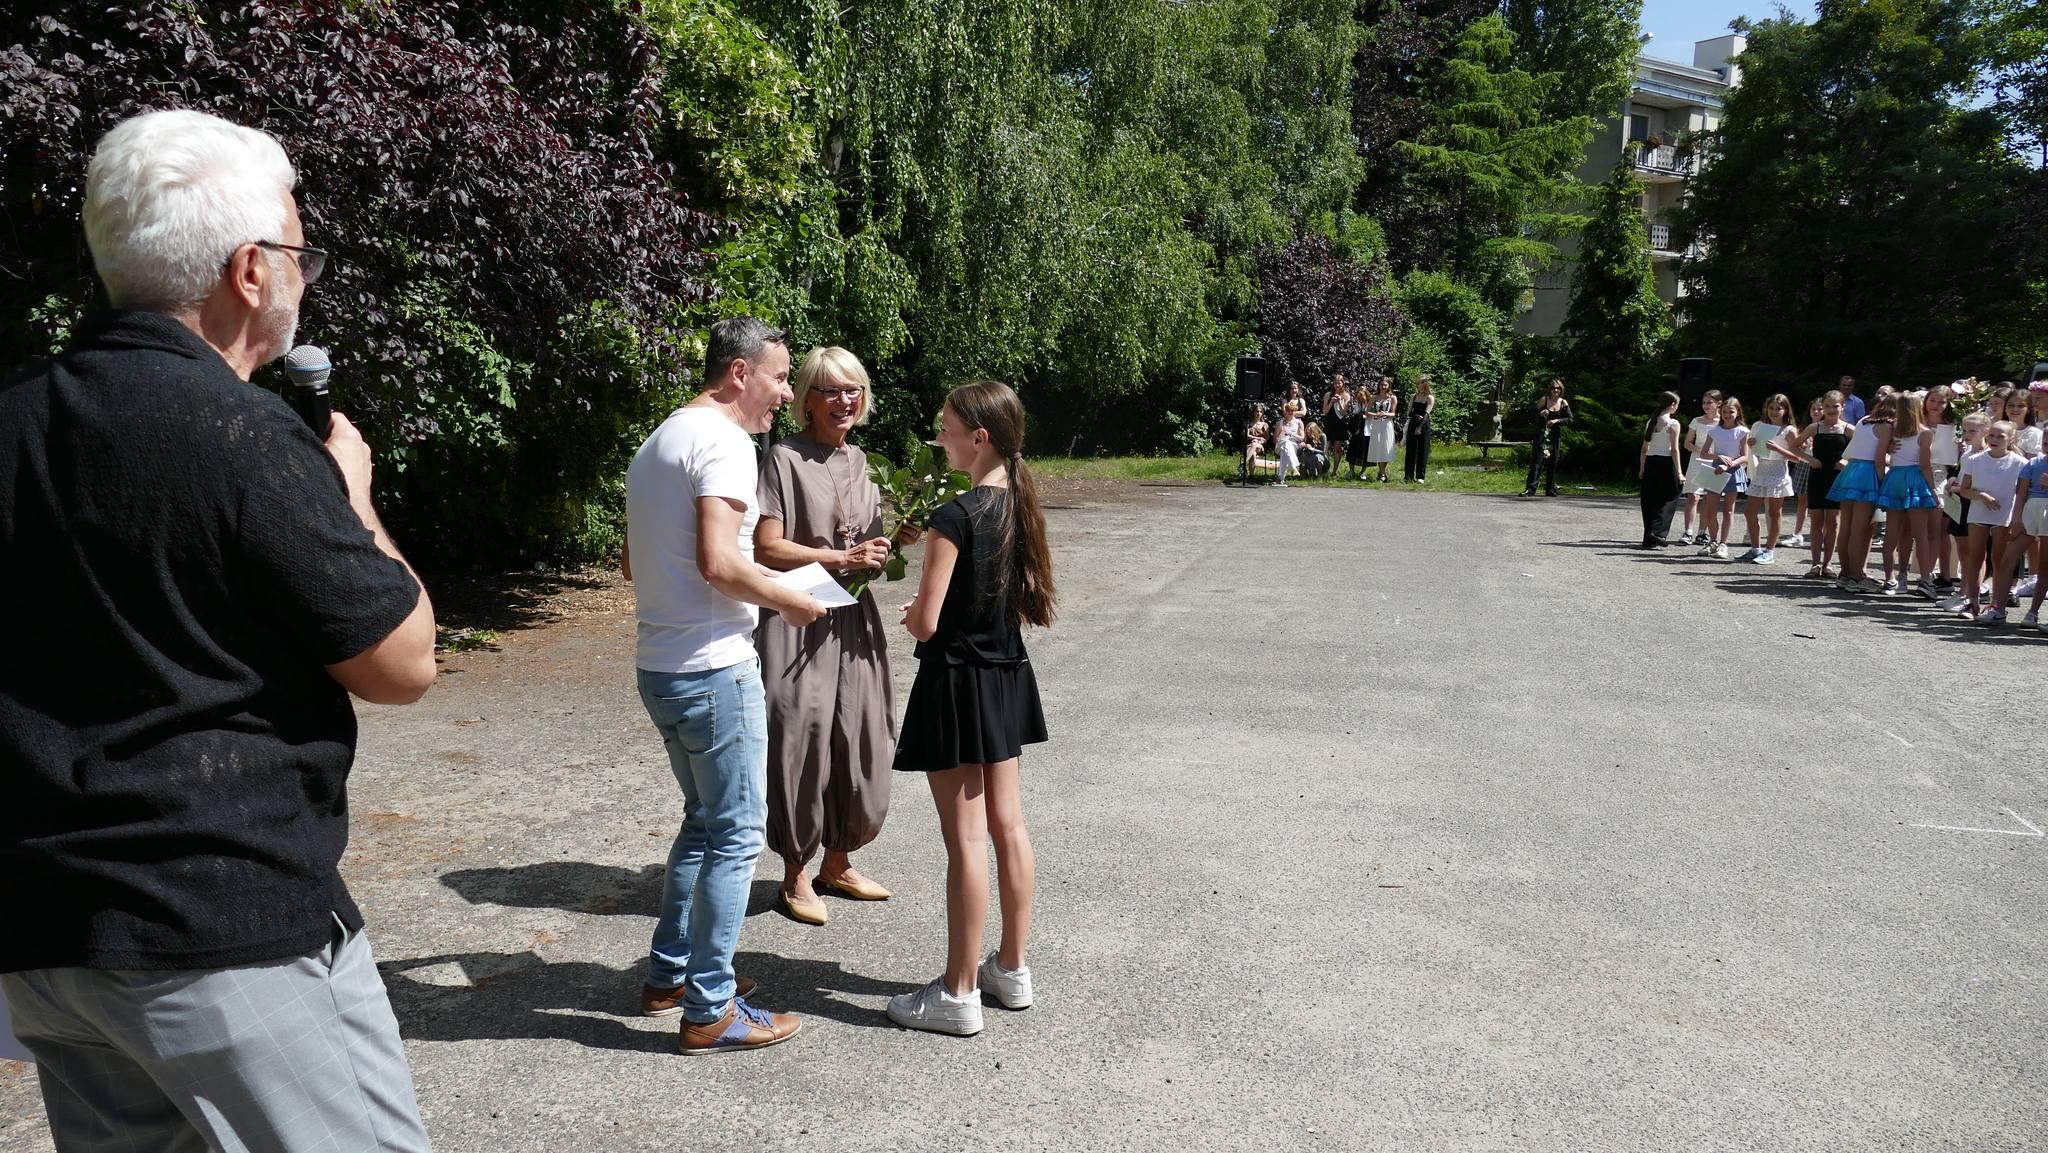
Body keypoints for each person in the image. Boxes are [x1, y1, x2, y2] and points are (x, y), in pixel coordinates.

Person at [0, 110, 437, 1149]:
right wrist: (353, 497)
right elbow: (402, 660)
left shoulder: (14, 416)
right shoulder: (245, 436)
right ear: (249, 269)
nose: (303, 279)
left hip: (45, 932)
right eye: (298, 255)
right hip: (221, 927)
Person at [623, 315, 825, 1053]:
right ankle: (710, 1008)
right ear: (740, 373)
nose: (786, 393)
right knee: (737, 833)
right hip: (712, 668)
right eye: (780, 377)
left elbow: (633, 562)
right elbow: (718, 560)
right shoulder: (727, 443)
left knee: (703, 823)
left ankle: (670, 976)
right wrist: (790, 597)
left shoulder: (659, 441)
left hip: (661, 666)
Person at [889, 380, 1055, 1038]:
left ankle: (958, 992)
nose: (940, 438)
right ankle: (1011, 968)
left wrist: (912, 613)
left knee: (965, 840)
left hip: (957, 684)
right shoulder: (1021, 506)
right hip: (1005, 678)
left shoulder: (954, 516)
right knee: (1008, 826)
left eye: (947, 428)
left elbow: (927, 623)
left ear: (979, 438)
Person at [753, 347, 908, 927]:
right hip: (798, 617)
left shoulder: (863, 461)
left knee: (861, 735)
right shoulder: (784, 459)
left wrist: (897, 539)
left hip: (853, 618)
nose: (844, 400)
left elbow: (868, 550)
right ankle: (795, 871)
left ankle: (837, 863)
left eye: (853, 389)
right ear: (809, 400)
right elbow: (766, 547)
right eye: (830, 390)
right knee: (800, 737)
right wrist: (840, 557)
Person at [1955, 421, 2027, 623]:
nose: (1994, 439)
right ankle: (1972, 601)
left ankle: (1996, 603)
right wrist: (1982, 496)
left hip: (2003, 516)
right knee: (1975, 557)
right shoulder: (1975, 460)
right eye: (1992, 435)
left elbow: (2022, 493)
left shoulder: (2019, 463)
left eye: (2000, 436)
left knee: (1999, 559)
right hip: (1978, 513)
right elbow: (1964, 489)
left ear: (2011, 439)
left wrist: (2018, 518)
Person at [1780, 390, 1852, 579]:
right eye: (1827, 406)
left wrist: (1847, 460)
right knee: (1816, 521)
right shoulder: (1815, 427)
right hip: (1817, 476)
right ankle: (1815, 564)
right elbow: (1793, 446)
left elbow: (1863, 450)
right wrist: (1809, 459)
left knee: (1833, 522)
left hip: (1838, 478)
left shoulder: (1848, 429)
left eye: (1835, 406)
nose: (1831, 410)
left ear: (1843, 407)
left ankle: (1828, 564)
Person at [1875, 391, 1940, 598]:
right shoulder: (1925, 433)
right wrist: (1933, 491)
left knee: (1892, 533)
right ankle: (1925, 579)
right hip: (1915, 480)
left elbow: (1881, 451)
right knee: (1920, 535)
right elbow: (1925, 466)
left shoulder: (1891, 430)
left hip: (1894, 478)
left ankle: (1892, 578)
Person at [1829, 391, 1892, 592]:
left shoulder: (1863, 420)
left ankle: (1846, 573)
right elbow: (1879, 460)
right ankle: (1856, 577)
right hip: (1868, 474)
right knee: (1860, 528)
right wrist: (1882, 485)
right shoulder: (1885, 426)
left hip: (1851, 471)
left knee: (1847, 527)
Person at [1739, 393, 1796, 564]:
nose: (1774, 412)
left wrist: (1779, 449)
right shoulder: (1759, 426)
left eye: (1778, 408)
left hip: (1778, 471)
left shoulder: (1789, 430)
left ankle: (1769, 551)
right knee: (1750, 511)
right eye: (1771, 408)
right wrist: (1751, 444)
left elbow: (1797, 457)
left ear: (1785, 410)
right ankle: (1755, 548)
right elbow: (1754, 449)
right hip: (1761, 470)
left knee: (1774, 512)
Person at [1696, 396, 1752, 558]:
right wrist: (1718, 457)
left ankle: (1723, 544)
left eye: (1731, 412)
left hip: (1733, 471)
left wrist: (1728, 465)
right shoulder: (1714, 431)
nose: (1727, 415)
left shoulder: (1743, 431)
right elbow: (1704, 453)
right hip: (1716, 470)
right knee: (1710, 510)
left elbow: (1745, 456)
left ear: (1738, 412)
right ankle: (1713, 542)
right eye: (1725, 412)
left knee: (1728, 510)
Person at [1637, 390, 1685, 548]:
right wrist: (1679, 472)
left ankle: (1648, 538)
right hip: (1666, 463)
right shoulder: (1673, 423)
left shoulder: (1650, 422)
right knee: (1670, 497)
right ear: (1672, 405)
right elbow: (1674, 450)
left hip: (1651, 462)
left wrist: (1642, 467)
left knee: (1649, 499)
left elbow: (1644, 449)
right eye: (1677, 405)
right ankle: (1658, 532)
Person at [1679, 391, 1724, 544]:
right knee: (1693, 496)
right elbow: (1687, 443)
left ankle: (1702, 532)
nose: (1705, 405)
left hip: (1714, 462)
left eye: (1709, 402)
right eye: (1704, 402)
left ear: (1719, 403)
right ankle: (1688, 532)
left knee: (1708, 498)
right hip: (1697, 460)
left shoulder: (1723, 422)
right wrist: (1701, 451)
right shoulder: (1697, 421)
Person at [1522, 379, 1573, 497]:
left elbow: (1570, 419)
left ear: (1561, 390)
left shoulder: (1563, 402)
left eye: (1558, 388)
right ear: (1550, 389)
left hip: (1555, 436)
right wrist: (1540, 413)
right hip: (1542, 434)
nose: (1556, 390)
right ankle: (1530, 489)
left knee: (1553, 462)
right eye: (1553, 388)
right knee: (1537, 462)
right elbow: (1532, 415)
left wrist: (1557, 421)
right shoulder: (1544, 400)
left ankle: (1550, 489)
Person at [1364, 377, 1398, 482]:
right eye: (1381, 385)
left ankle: (1382, 472)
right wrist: (1376, 414)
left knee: (1386, 448)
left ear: (1389, 386)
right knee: (1378, 447)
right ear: (1378, 386)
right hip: (1376, 425)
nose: (1383, 387)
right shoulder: (1374, 397)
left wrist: (1385, 414)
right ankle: (1382, 473)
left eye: (1385, 385)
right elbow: (1367, 412)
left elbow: (1393, 413)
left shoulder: (1392, 398)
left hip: (1387, 425)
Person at [1403, 375, 1436, 482]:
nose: (1419, 385)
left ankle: (1420, 476)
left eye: (1421, 382)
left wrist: (1420, 427)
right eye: (1418, 383)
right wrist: (1413, 417)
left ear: (1426, 384)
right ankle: (1408, 475)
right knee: (1410, 450)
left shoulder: (1430, 397)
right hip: (1413, 422)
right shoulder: (1414, 396)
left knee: (1423, 450)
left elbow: (1427, 413)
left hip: (1424, 424)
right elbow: (1409, 411)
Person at [1321, 376, 1352, 477]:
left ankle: (1334, 471)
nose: (1337, 385)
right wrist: (1331, 402)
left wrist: (1339, 402)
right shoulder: (1328, 395)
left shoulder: (1346, 396)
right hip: (1329, 422)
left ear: (1343, 384)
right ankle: (1325, 470)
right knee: (1326, 447)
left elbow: (1343, 413)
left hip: (1340, 423)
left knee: (1338, 448)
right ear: (1333, 384)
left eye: (1339, 383)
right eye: (1335, 383)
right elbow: (1325, 411)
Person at [1273, 400, 1305, 487]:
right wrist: (1282, 433)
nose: (1290, 412)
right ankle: (1294, 467)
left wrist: (1290, 433)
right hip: (1279, 446)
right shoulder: (1279, 423)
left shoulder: (1299, 423)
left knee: (1286, 448)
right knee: (1285, 443)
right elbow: (1275, 440)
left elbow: (1301, 438)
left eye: (1292, 410)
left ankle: (1280, 478)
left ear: (1295, 411)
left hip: (1293, 446)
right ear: (1285, 411)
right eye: (1288, 410)